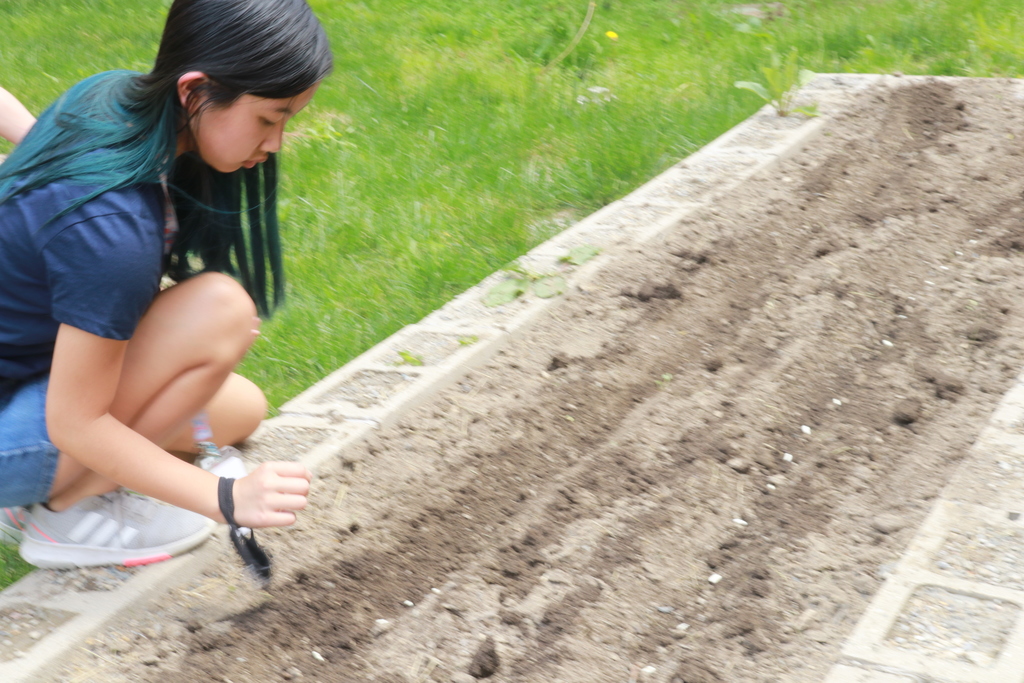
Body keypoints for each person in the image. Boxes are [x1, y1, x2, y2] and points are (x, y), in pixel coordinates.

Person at [0, 0, 332, 569]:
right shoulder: (112, 227)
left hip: (31, 372)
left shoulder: (114, 96)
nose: (275, 143)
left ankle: (62, 489)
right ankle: (61, 514)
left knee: (241, 409)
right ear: (195, 91)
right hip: (20, 422)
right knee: (221, 310)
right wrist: (226, 498)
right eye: (268, 119)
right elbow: (75, 422)